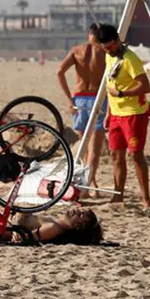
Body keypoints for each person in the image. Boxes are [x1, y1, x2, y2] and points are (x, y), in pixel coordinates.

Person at [95, 23, 150, 210]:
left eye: (111, 46)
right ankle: (118, 196)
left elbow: (145, 86)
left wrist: (122, 94)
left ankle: (146, 199)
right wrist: (110, 113)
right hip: (116, 115)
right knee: (115, 155)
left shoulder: (130, 59)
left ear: (118, 41)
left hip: (133, 114)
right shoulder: (108, 56)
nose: (109, 50)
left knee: (136, 155)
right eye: (104, 48)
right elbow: (110, 85)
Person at [56, 23, 106, 193]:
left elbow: (59, 72)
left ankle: (87, 184)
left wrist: (69, 99)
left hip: (79, 100)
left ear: (89, 34)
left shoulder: (77, 50)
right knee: (94, 150)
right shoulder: (105, 52)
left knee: (84, 148)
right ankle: (87, 185)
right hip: (98, 99)